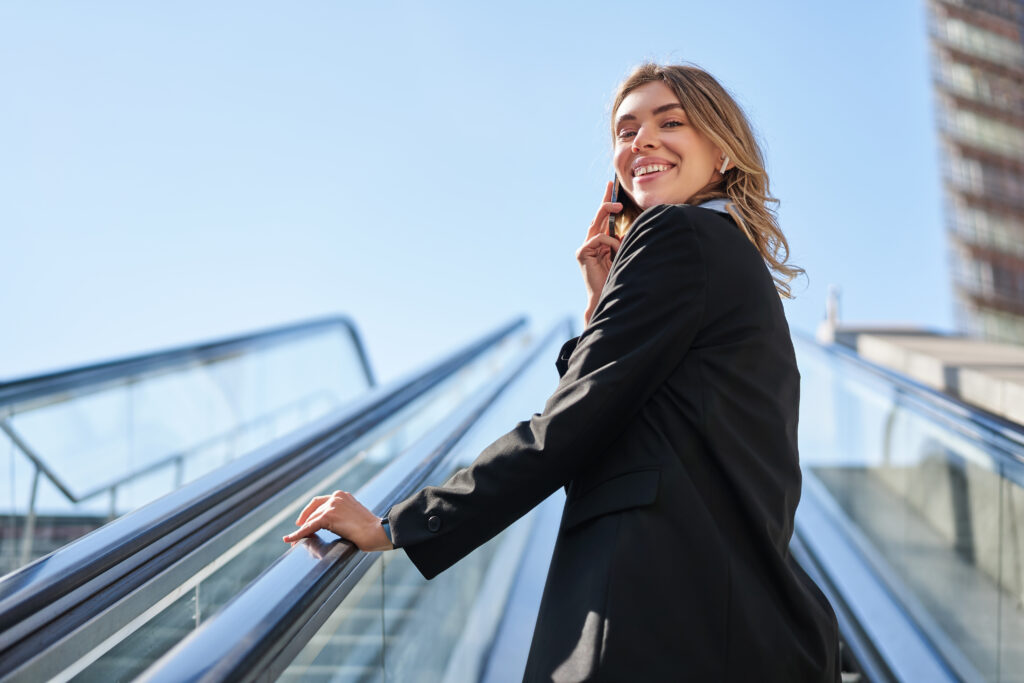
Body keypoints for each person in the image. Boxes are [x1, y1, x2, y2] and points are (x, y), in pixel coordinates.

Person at [283, 62, 841, 682]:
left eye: (670, 122)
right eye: (626, 131)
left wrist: (398, 524)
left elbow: (575, 421)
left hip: (648, 615)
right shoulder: (731, 263)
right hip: (717, 623)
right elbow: (641, 411)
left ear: (723, 152)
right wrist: (604, 313)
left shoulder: (676, 232)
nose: (642, 142)